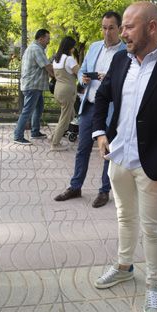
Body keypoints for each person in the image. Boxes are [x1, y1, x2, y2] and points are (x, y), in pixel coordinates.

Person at [91, 1, 157, 312]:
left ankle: (153, 285)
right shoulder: (122, 61)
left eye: (128, 26)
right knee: (124, 217)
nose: (122, 33)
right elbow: (102, 96)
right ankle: (124, 266)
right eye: (121, 26)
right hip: (119, 157)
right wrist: (99, 132)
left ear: (152, 27)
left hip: (153, 164)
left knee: (151, 228)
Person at [54, 11, 126, 208]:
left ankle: (104, 191)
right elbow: (82, 70)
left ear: (119, 29)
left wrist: (110, 79)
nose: (107, 32)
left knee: (107, 149)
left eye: (111, 28)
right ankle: (75, 186)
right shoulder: (94, 47)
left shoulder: (125, 52)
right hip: (89, 105)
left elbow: (126, 80)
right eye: (104, 28)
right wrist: (83, 79)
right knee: (82, 147)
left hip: (110, 109)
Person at [13, 29, 52, 145]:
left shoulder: (34, 48)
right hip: (32, 85)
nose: (48, 42)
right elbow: (47, 66)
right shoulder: (36, 49)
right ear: (41, 39)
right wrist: (58, 76)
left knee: (39, 108)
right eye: (47, 39)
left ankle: (35, 132)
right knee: (27, 111)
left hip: (34, 85)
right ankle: (18, 136)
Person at [50, 36, 81, 150]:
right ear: (70, 47)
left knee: (70, 115)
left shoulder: (57, 59)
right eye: (73, 46)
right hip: (67, 91)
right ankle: (55, 143)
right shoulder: (69, 59)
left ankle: (54, 136)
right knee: (65, 118)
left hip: (58, 90)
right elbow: (79, 73)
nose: (74, 49)